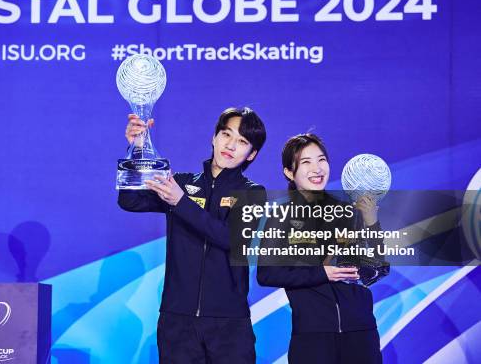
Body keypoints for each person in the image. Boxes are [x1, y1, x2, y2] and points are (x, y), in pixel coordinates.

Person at [118, 107, 266, 363]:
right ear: (214, 137)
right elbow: (130, 201)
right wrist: (137, 150)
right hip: (177, 320)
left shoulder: (252, 192)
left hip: (229, 323)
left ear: (251, 154)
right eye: (226, 134)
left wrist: (181, 202)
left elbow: (232, 240)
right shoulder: (183, 183)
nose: (230, 145)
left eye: (242, 141)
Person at [257, 133, 385, 364]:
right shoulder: (281, 217)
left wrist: (371, 223)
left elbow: (376, 270)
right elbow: (266, 274)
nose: (317, 168)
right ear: (289, 172)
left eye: (321, 160)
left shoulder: (348, 212)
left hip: (361, 332)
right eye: (306, 162)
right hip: (313, 337)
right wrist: (321, 273)